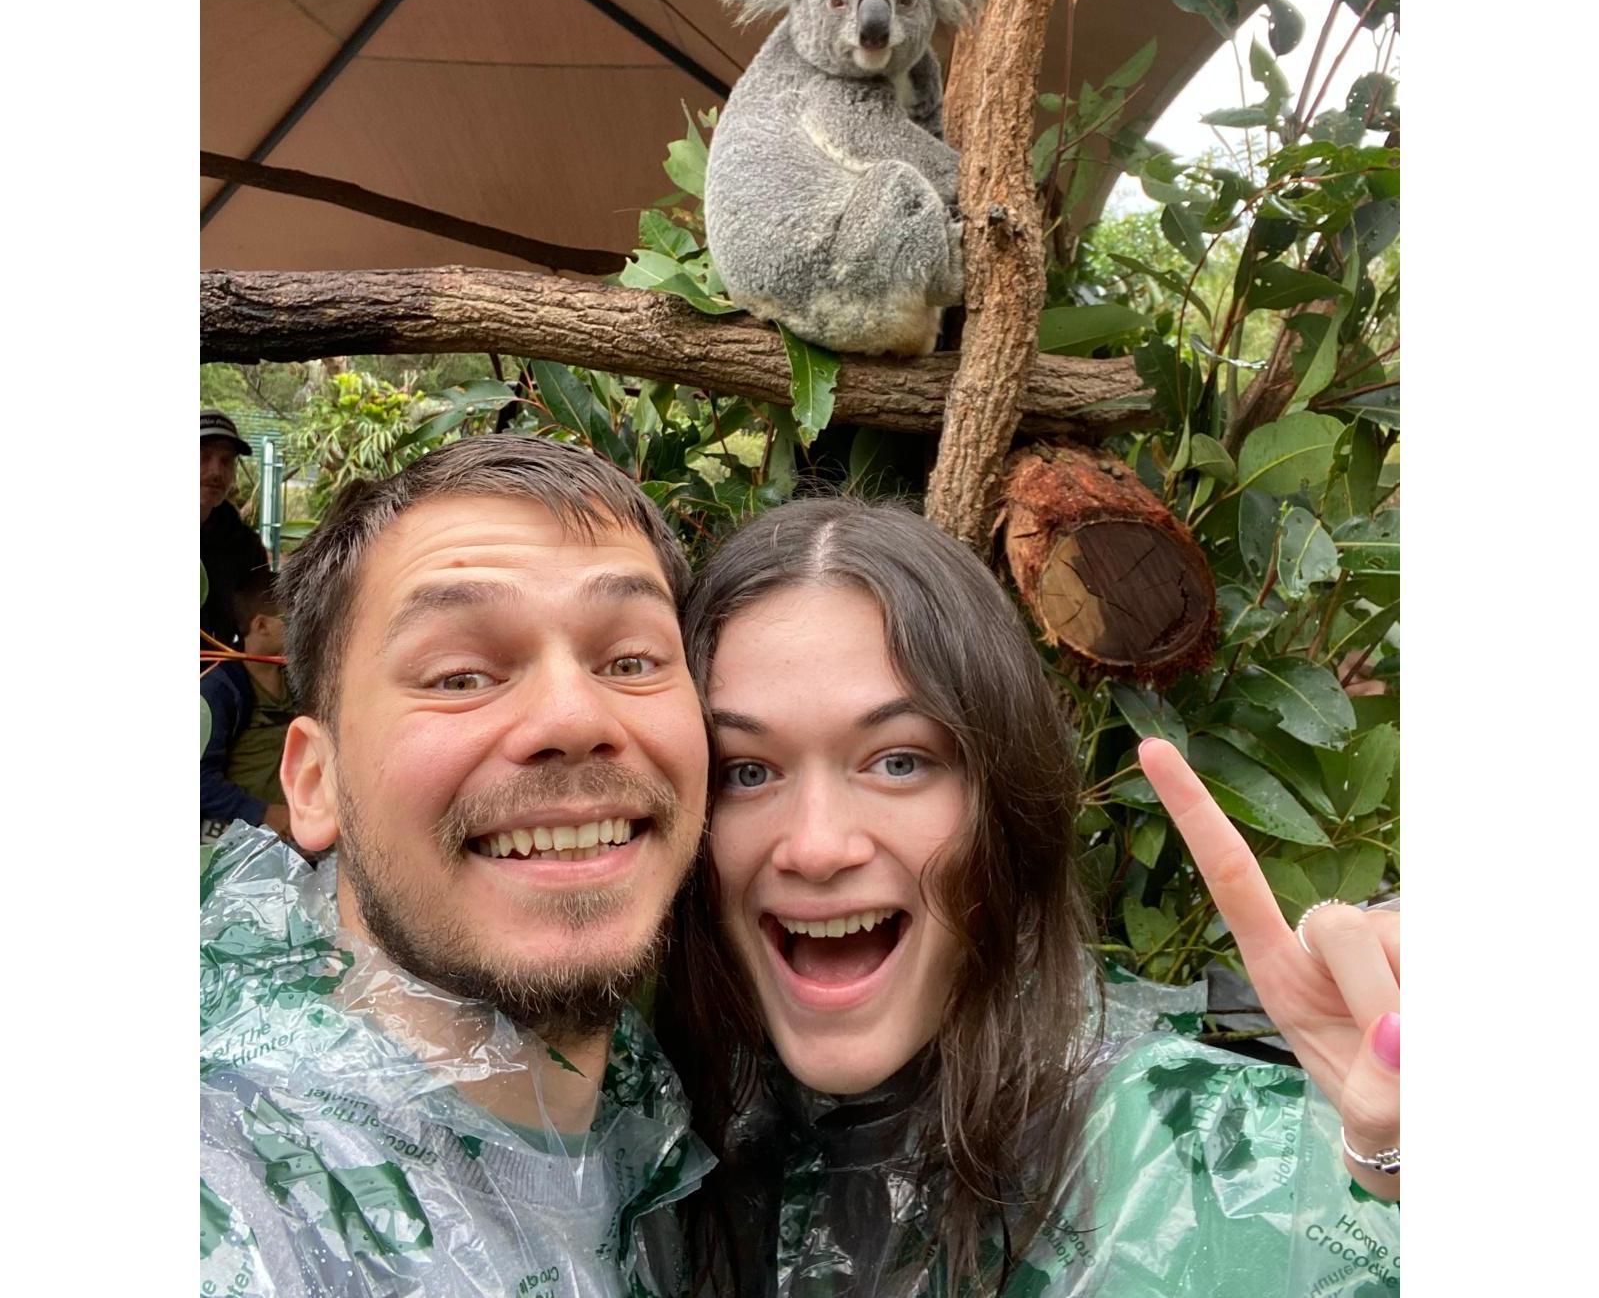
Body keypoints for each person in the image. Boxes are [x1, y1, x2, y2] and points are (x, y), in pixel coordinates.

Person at [665, 497, 1400, 1296]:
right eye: (746, 770)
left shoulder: (1202, 1155)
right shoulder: (638, 1163)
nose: (815, 846)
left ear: (1007, 803)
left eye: (900, 760)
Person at [201, 435, 715, 1297]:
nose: (572, 714)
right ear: (315, 782)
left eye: (630, 661)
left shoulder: (686, 1125)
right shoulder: (222, 1188)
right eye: (460, 673)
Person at [200, 565, 297, 841]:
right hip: (232, 837)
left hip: (287, 836)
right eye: (290, 622)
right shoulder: (219, 690)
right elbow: (199, 779)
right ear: (261, 625)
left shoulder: (293, 680)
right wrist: (263, 813)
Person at [201, 408, 270, 645]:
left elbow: (257, 619)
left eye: (226, 461)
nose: (216, 472)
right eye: (203, 457)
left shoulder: (244, 546)